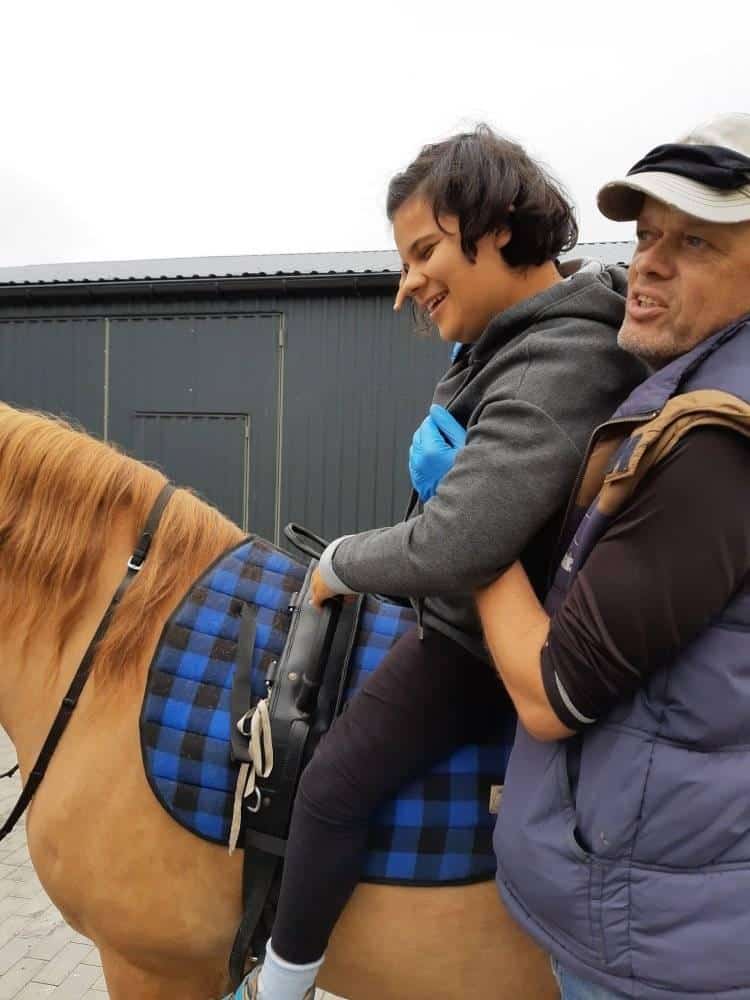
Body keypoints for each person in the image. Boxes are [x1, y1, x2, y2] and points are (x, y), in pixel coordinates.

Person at [225, 126, 645, 1000]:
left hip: (478, 640)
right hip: (452, 607)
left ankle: (283, 984)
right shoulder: (510, 338)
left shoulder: (558, 356)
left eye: (423, 251)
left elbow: (457, 544)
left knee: (334, 781)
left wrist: (340, 561)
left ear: (496, 227)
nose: (406, 281)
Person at [472, 112, 750, 999]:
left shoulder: (716, 440)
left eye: (695, 243)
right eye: (645, 236)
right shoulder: (693, 384)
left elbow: (554, 694)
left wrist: (468, 532)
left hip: (654, 939)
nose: (648, 265)